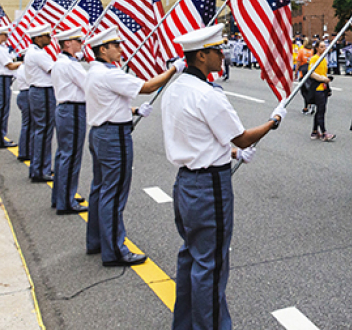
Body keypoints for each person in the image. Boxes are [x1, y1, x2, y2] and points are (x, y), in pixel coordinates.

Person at [161, 24, 287, 330]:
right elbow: (241, 137)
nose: (223, 54)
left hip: (185, 182)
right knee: (211, 266)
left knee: (192, 257)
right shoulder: (207, 95)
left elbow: (200, 140)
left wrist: (231, 154)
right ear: (202, 56)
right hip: (209, 187)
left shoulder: (175, 88)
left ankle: (186, 324)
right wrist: (274, 121)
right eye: (218, 50)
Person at [84, 26, 185, 266]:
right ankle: (115, 250)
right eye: (115, 45)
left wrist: (134, 110)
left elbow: (108, 103)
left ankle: (97, 241)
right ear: (103, 49)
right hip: (113, 136)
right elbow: (148, 87)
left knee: (100, 190)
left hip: (100, 132)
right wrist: (173, 69)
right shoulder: (109, 74)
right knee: (114, 192)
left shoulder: (95, 71)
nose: (120, 48)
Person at [51, 27, 89, 214]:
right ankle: (66, 201)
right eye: (78, 41)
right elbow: (89, 84)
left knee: (63, 154)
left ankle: (59, 196)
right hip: (73, 110)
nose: (81, 44)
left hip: (65, 109)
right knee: (71, 156)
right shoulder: (69, 64)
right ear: (68, 43)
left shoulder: (62, 61)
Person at [25, 24, 56, 182]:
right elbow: (54, 70)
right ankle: (40, 170)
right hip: (42, 91)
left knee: (40, 131)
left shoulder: (35, 51)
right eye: (46, 35)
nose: (49, 38)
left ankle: (38, 167)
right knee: (43, 132)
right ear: (38, 38)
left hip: (38, 91)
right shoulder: (38, 54)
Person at [309, 40, 335, 141]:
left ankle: (315, 131)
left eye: (324, 46)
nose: (324, 48)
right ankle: (324, 133)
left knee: (320, 110)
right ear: (316, 48)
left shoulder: (323, 59)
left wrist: (327, 81)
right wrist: (323, 79)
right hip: (317, 88)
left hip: (324, 88)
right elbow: (311, 73)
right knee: (321, 110)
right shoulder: (314, 59)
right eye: (321, 47)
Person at [0, 25, 21, 148]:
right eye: (5, 34)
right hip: (2, 79)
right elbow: (10, 66)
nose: (7, 37)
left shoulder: (4, 49)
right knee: (2, 110)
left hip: (4, 79)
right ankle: (1, 139)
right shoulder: (1, 50)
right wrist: (23, 62)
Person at [15, 48, 31, 162]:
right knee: (28, 125)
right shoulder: (25, 68)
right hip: (27, 94)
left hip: (24, 94)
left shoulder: (22, 67)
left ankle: (25, 150)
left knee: (28, 125)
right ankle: (24, 151)